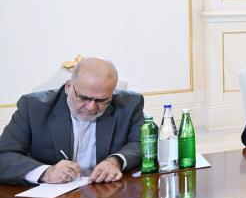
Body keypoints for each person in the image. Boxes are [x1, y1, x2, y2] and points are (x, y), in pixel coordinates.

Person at [0, 57, 143, 186]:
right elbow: (4, 155)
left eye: (101, 100)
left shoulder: (130, 104)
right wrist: (46, 172)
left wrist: (116, 161)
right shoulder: (33, 107)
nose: (91, 107)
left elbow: (142, 142)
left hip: (105, 194)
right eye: (83, 98)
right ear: (68, 86)